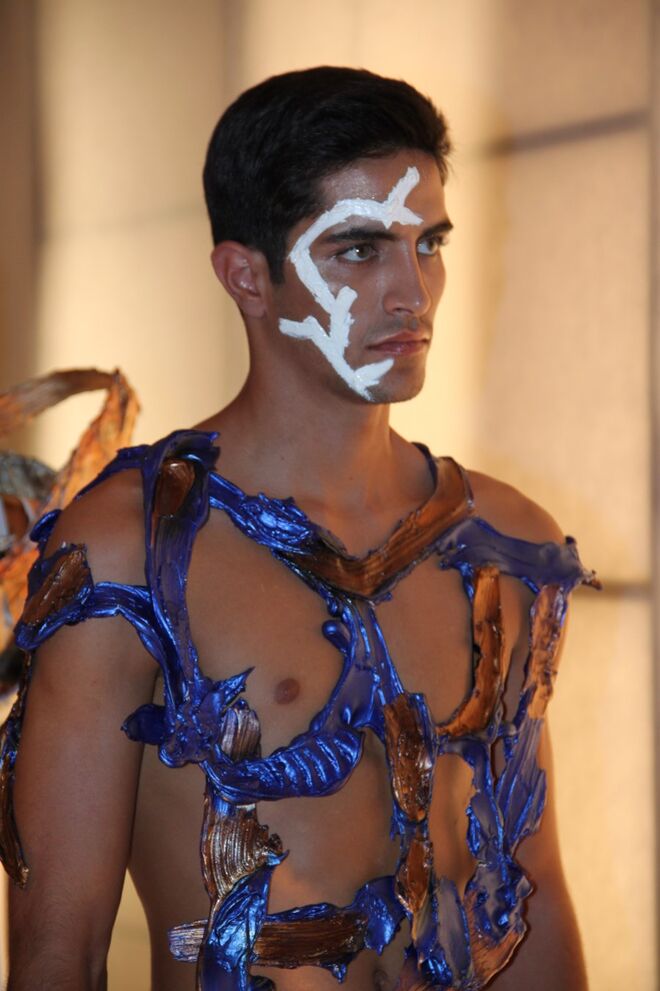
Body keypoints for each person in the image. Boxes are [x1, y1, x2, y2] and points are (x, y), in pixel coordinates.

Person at [0, 67, 595, 990]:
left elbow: (530, 896)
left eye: (430, 243)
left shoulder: (503, 544)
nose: (413, 292)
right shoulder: (131, 551)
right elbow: (57, 949)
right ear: (246, 275)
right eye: (360, 250)